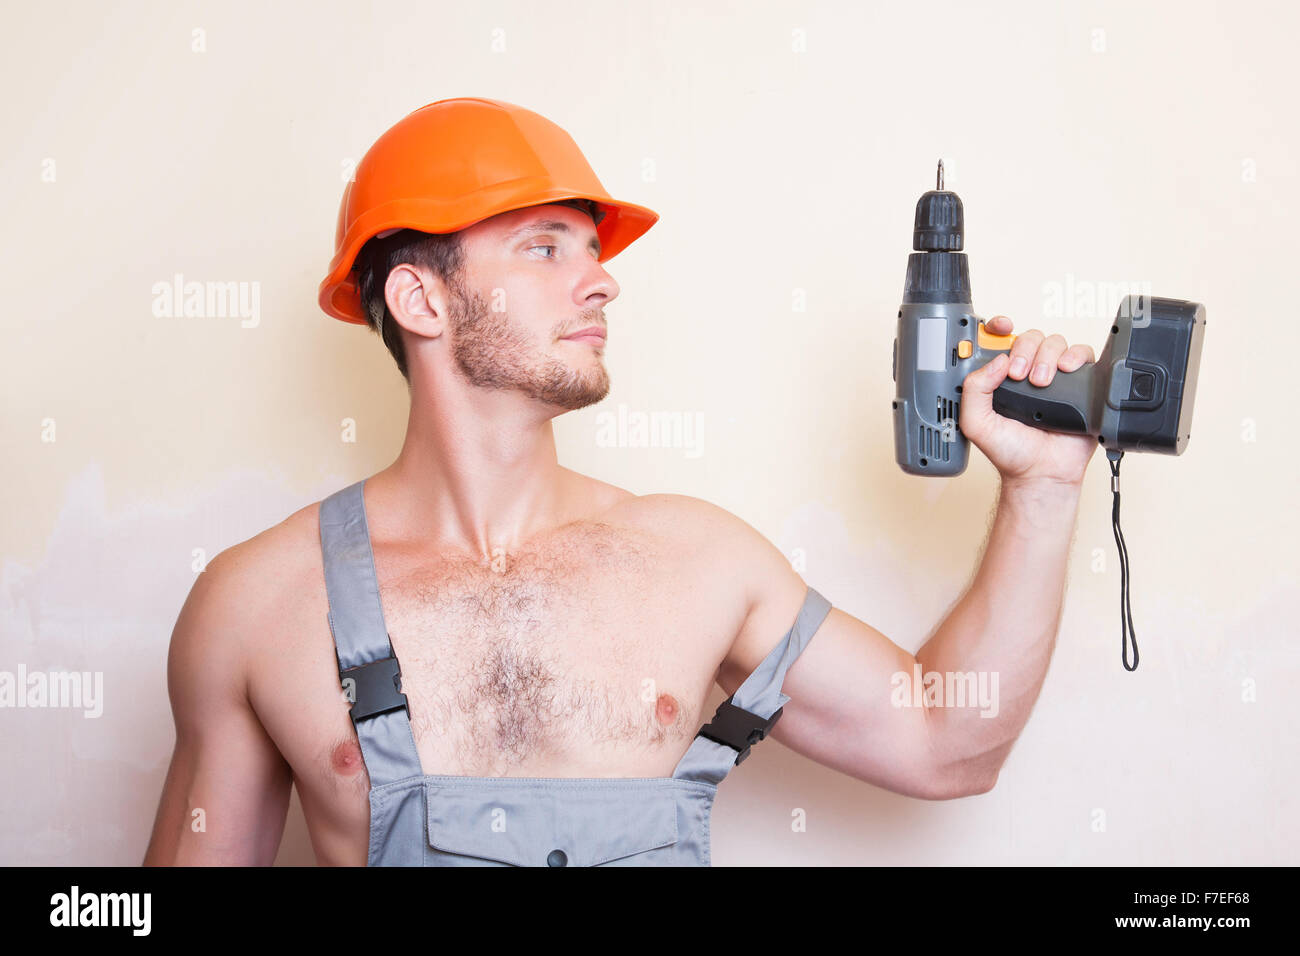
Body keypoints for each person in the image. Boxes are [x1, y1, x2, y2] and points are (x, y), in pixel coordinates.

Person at [143, 98, 1097, 866]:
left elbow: (948, 743)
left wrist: (1044, 491)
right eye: (546, 246)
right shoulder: (255, 604)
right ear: (419, 298)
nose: (601, 283)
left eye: (593, 252)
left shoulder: (697, 558)